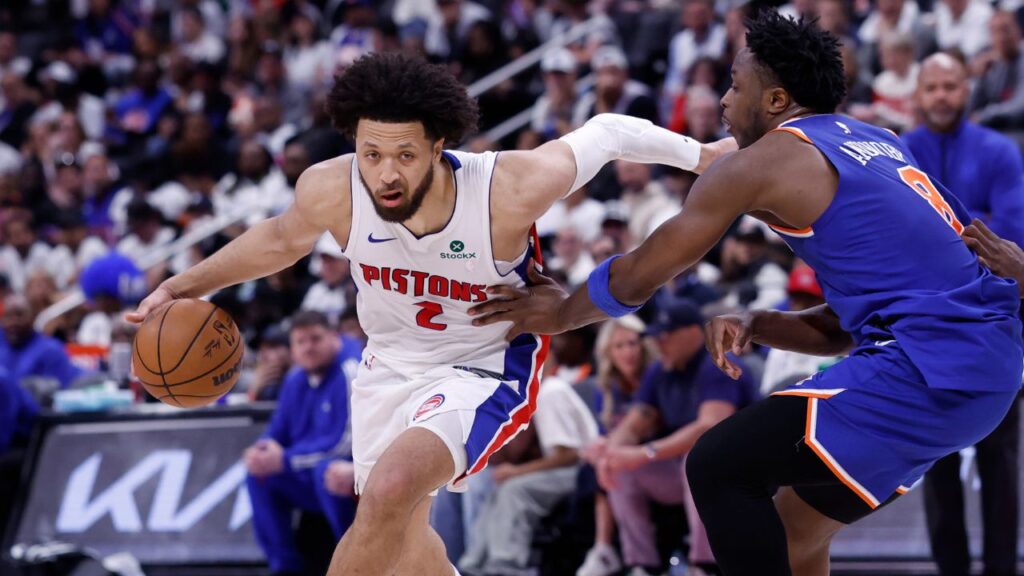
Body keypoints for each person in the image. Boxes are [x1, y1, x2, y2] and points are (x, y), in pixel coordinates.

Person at [127, 51, 732, 575]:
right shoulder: (334, 188)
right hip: (388, 366)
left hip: (483, 362)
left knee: (390, 492)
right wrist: (182, 287)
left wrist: (705, 155)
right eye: (371, 154)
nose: (386, 173)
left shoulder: (505, 189)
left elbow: (607, 132)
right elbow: (281, 240)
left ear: (439, 146)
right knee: (407, 544)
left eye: (404, 155)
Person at [469, 12, 1023, 576]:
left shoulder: (764, 162)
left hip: (931, 368)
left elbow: (641, 274)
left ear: (777, 99)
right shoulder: (877, 142)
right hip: (983, 367)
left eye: (736, 85)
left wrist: (561, 312)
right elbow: (850, 322)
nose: (725, 99)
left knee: (718, 463)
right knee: (792, 537)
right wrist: (759, 323)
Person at [904, 54, 1024, 576]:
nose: (942, 96)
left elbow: (1011, 236)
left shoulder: (999, 150)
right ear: (918, 93)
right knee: (935, 459)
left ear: (966, 89)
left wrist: (937, 241)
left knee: (1001, 462)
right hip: (926, 328)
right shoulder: (898, 150)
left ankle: (1002, 570)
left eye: (951, 86)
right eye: (932, 87)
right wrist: (969, 233)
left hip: (997, 323)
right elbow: (894, 234)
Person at [587, 300, 757, 575]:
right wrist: (613, 454)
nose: (658, 344)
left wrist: (645, 452)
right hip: (682, 472)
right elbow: (636, 422)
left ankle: (705, 565)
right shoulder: (659, 370)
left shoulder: (717, 365)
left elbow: (709, 426)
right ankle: (642, 565)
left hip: (740, 475)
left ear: (692, 333)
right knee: (623, 470)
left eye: (665, 336)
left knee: (699, 457)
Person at [244, 310, 362, 576]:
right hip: (310, 472)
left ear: (334, 337)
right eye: (301, 342)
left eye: (315, 339)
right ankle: (285, 568)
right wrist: (261, 451)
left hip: (355, 474)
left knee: (329, 471)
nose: (308, 348)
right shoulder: (296, 378)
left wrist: (284, 460)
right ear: (293, 348)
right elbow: (277, 431)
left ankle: (359, 565)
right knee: (259, 476)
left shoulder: (350, 370)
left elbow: (346, 443)